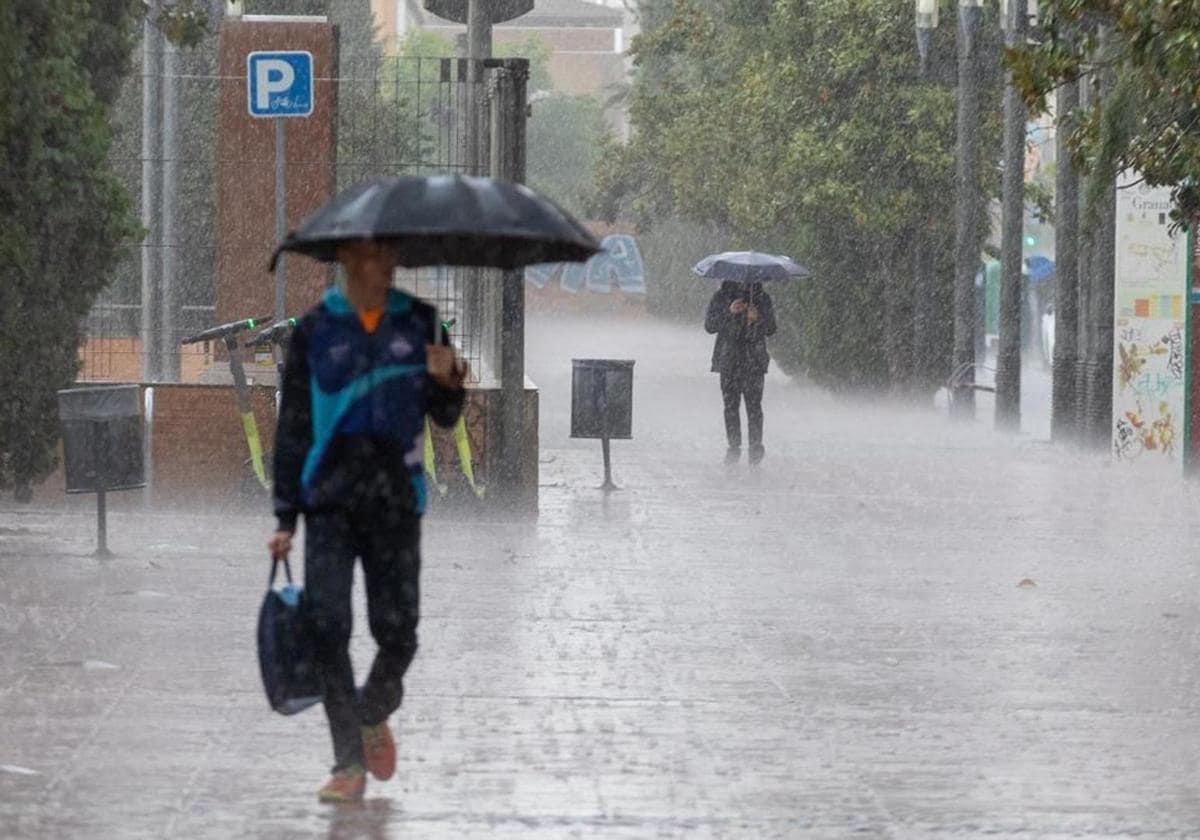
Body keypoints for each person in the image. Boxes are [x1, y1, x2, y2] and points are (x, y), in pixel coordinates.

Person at [268, 238, 466, 804]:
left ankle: (372, 710)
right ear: (349, 261)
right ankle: (347, 763)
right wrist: (286, 515)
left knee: (398, 632)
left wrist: (450, 384)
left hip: (397, 505)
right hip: (328, 503)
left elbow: (447, 418)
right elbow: (295, 429)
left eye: (394, 256)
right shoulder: (315, 331)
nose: (390, 266)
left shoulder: (422, 323)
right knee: (328, 628)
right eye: (378, 256)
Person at [705, 280, 777, 465]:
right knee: (731, 406)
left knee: (754, 407)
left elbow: (771, 328)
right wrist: (729, 312)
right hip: (729, 361)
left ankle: (755, 447)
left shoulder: (762, 298)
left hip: (754, 361)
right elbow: (710, 326)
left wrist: (757, 319)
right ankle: (734, 446)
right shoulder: (721, 297)